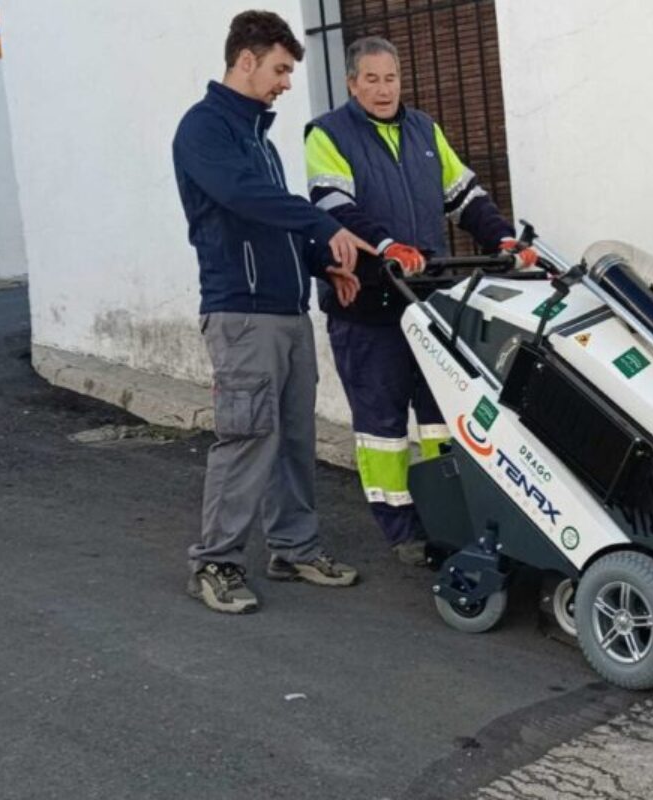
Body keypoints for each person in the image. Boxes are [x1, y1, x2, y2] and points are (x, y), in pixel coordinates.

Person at [304, 36, 538, 566]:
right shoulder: (327, 134)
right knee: (382, 423)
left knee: (440, 416)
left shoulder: (425, 130)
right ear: (351, 83)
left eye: (391, 78)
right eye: (371, 79)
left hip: (426, 297)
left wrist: (500, 238)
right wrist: (386, 246)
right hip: (367, 302)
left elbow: (465, 196)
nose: (383, 89)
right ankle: (401, 527)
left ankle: (450, 515)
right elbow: (333, 203)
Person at [172, 10, 376, 614]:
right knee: (247, 436)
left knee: (292, 436)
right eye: (281, 69)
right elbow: (245, 199)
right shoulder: (204, 129)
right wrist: (324, 223)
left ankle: (293, 547)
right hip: (241, 314)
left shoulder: (258, 138)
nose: (286, 82)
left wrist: (322, 262)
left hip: (286, 312)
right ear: (245, 61)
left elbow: (274, 226)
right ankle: (215, 563)